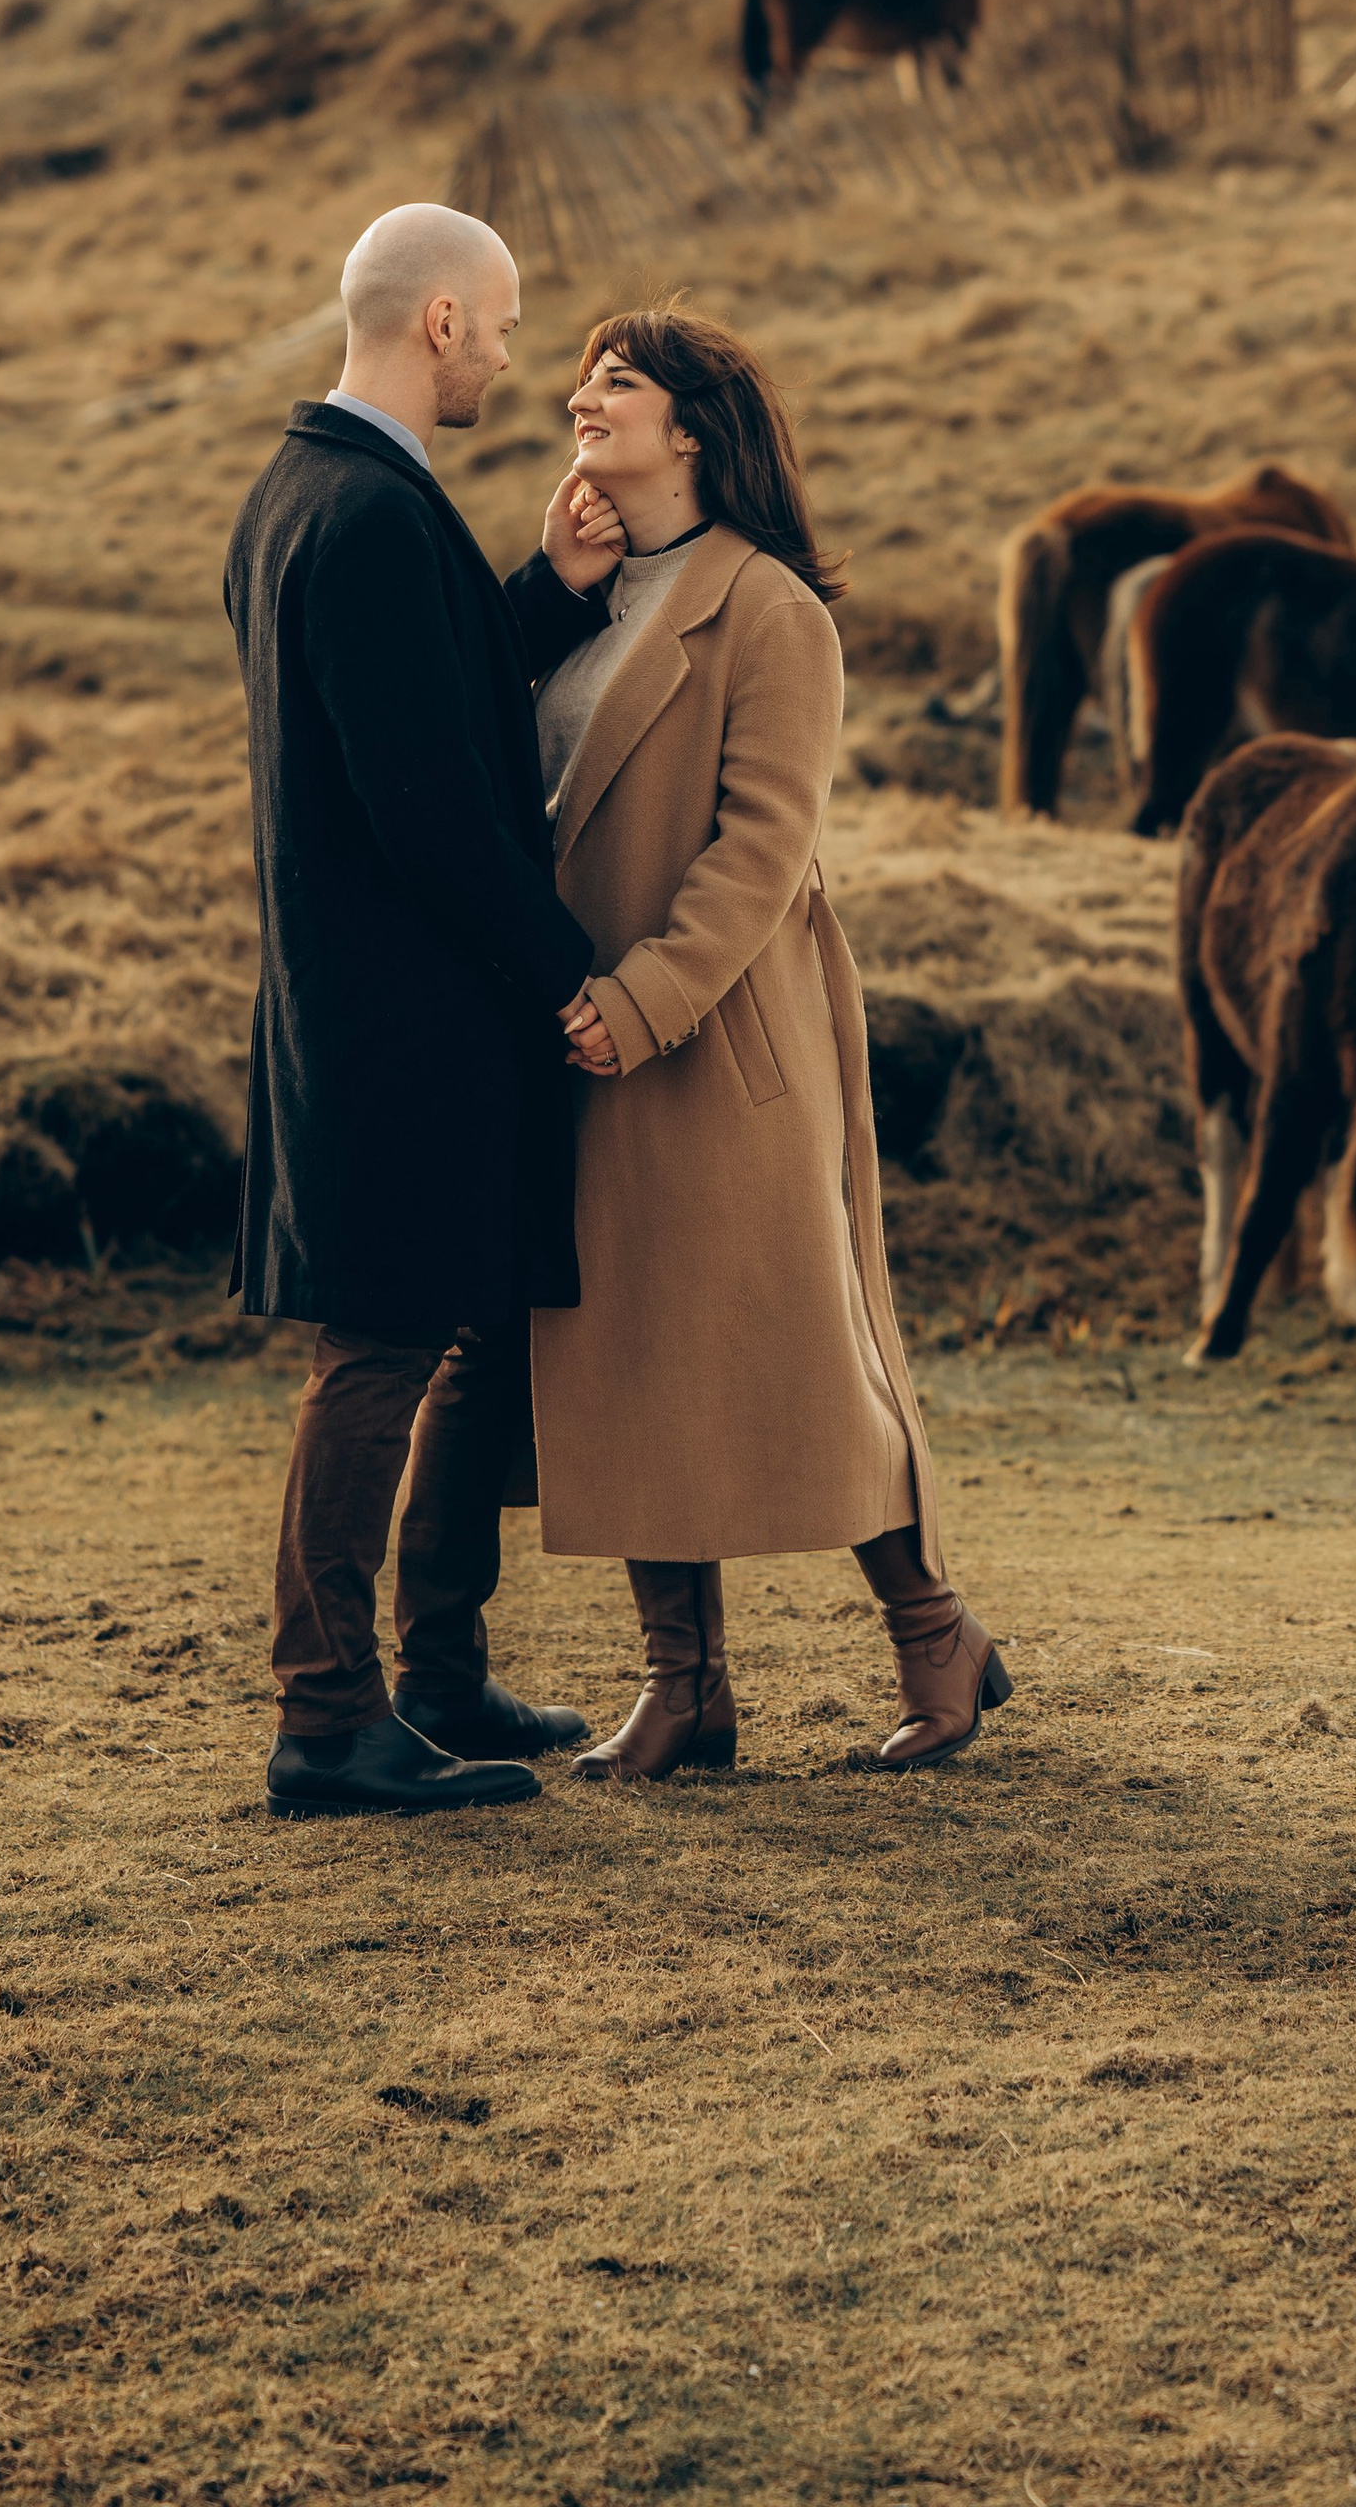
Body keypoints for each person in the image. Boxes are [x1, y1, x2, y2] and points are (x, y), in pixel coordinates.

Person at [508, 305, 1010, 1777]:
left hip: (721, 1040)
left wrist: (647, 1002)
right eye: (586, 377)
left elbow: (763, 851)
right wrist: (550, 582)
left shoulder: (774, 611)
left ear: (695, 430)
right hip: (583, 1037)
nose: (582, 398)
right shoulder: (590, 595)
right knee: (629, 1357)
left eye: (619, 383)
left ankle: (940, 1643)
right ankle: (687, 1688)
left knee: (802, 1355)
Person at [224, 203, 616, 1818]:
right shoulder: (369, 512)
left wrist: (548, 590)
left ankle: (437, 1675)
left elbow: (412, 709)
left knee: (447, 1331)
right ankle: (328, 1718)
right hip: (400, 1015)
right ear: (441, 321)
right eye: (508, 322)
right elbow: (429, 804)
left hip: (373, 999)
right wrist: (568, 972)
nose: (518, 353)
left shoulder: (310, 492)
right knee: (377, 1348)